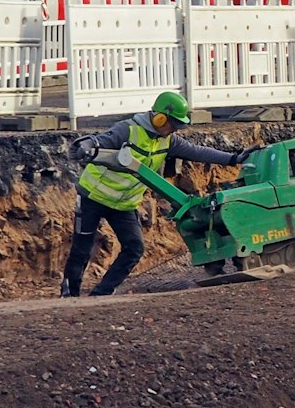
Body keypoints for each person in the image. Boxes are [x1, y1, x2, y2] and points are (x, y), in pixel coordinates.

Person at [60, 90, 254, 297]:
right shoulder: (128, 130)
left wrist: (234, 159)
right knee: (82, 249)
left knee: (134, 248)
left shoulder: (168, 140)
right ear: (160, 117)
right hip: (93, 196)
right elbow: (103, 140)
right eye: (172, 124)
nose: (174, 130)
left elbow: (197, 152)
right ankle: (69, 297)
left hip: (124, 204)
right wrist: (86, 144)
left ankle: (101, 295)